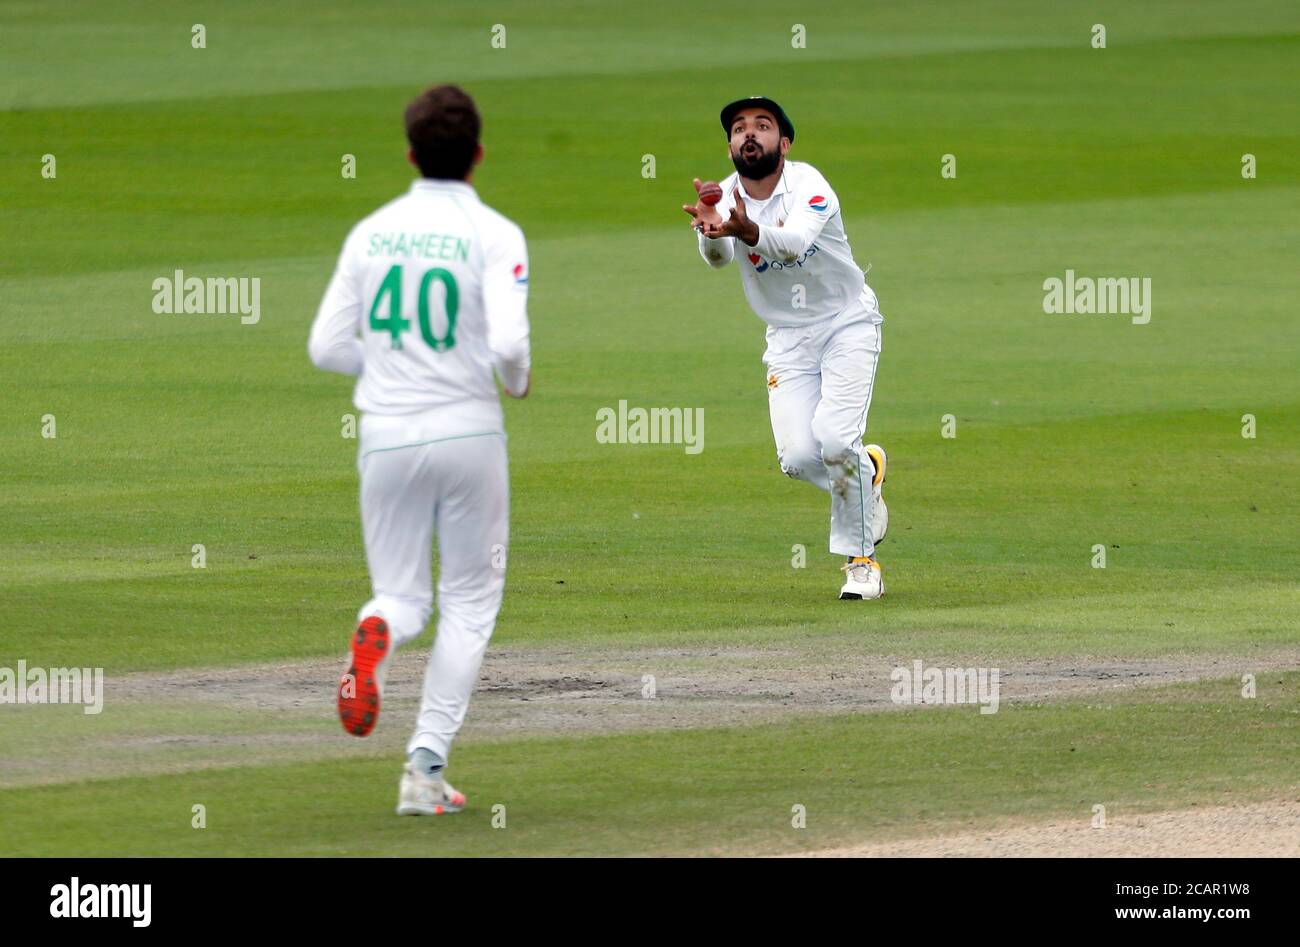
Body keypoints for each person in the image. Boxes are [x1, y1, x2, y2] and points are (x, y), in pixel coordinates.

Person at [308, 83, 531, 814]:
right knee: (470, 599)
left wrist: (394, 366)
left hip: (384, 432)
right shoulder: (496, 232)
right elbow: (506, 343)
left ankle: (375, 632)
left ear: (410, 152)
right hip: (467, 428)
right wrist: (517, 382)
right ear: (478, 155)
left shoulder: (371, 231)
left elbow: (326, 347)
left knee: (401, 594)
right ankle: (424, 768)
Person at [682, 96, 888, 599]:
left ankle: (861, 563)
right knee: (798, 457)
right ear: (730, 145)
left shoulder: (809, 184)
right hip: (788, 339)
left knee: (836, 441)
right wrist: (711, 228)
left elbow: (793, 242)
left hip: (846, 322)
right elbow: (716, 259)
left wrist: (744, 228)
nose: (748, 134)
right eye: (738, 129)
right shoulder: (725, 195)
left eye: (763, 125)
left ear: (784, 141)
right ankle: (869, 473)